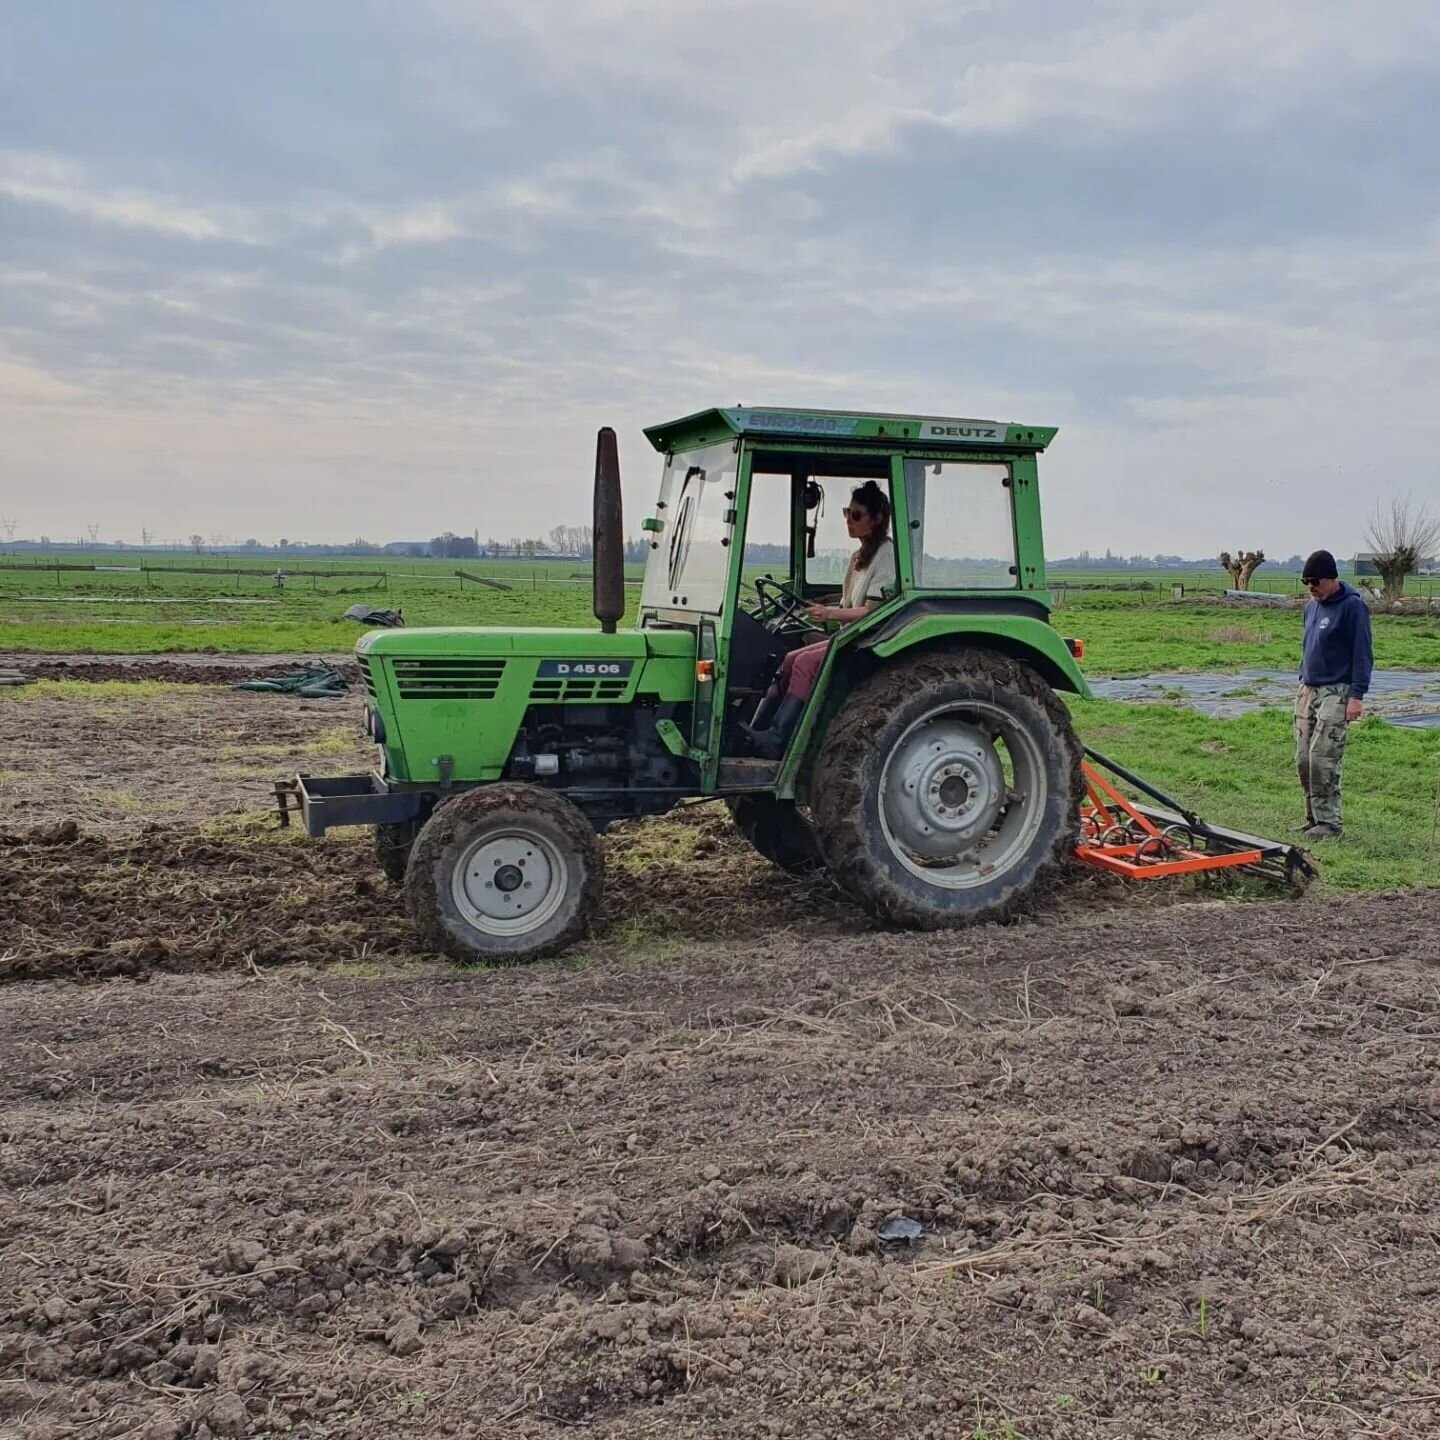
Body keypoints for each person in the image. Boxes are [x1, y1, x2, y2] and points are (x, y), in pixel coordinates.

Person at [745, 481, 896, 758]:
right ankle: (756, 731)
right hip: (848, 636)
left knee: (804, 663)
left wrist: (829, 614)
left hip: (867, 642)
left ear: (876, 520)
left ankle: (778, 741)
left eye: (856, 515)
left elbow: (872, 611)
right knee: (788, 659)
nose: (849, 521)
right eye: (846, 513)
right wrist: (824, 606)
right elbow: (848, 602)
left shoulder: (886, 556)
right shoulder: (859, 556)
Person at [1293, 548, 1372, 841]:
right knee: (1303, 758)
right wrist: (1303, 679)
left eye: (1315, 581)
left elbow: (1363, 654)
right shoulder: (1311, 607)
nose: (1310, 587)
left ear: (1331, 579)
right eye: (1306, 582)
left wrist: (1356, 696)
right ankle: (1312, 817)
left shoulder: (1353, 607)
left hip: (1337, 690)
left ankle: (1330, 823)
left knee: (1323, 757)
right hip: (1308, 688)